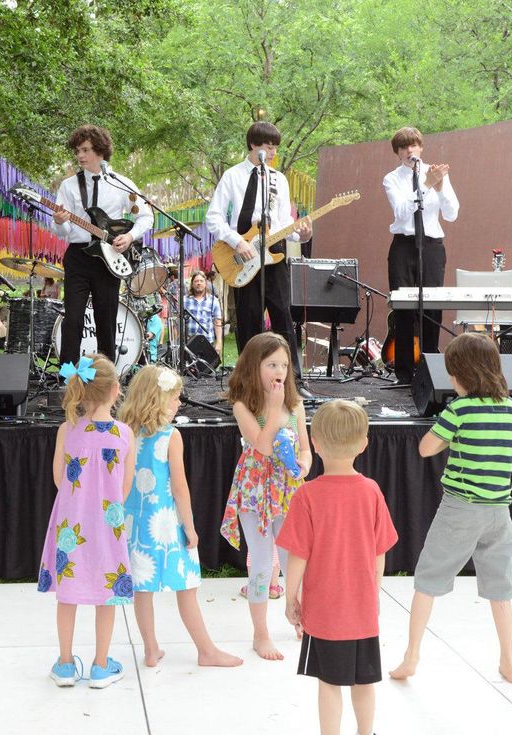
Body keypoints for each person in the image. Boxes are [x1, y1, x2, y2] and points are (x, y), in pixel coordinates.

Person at [389, 333, 512, 684]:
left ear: (462, 374)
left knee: (428, 579)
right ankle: (510, 659)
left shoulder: (460, 410)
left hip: (460, 509)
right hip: (499, 511)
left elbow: (426, 448)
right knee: (500, 588)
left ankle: (411, 655)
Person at [277, 400, 398, 735]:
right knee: (364, 679)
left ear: (314, 444)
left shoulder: (307, 496)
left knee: (329, 682)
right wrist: (373, 592)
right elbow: (379, 552)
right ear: (363, 444)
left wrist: (290, 599)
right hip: (361, 610)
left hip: (325, 611)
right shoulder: (371, 491)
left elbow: (297, 555)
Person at [118, 366, 243, 668]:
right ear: (156, 400)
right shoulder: (170, 436)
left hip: (135, 524)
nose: (178, 404)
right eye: (174, 399)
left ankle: (150, 649)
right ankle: (206, 650)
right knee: (187, 585)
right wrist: (190, 527)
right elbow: (179, 488)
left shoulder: (125, 433)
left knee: (142, 588)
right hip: (165, 523)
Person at [36, 354, 137, 689]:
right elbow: (124, 489)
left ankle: (65, 664)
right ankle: (101, 664)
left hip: (70, 525)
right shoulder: (124, 434)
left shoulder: (67, 429)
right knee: (106, 592)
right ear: (115, 391)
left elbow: (57, 478)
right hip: (107, 525)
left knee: (67, 593)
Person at [220, 332, 311, 660]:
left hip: (287, 489)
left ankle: (299, 615)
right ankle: (261, 634)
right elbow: (260, 443)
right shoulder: (244, 405)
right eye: (272, 363)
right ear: (253, 366)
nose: (280, 371)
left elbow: (305, 446)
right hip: (255, 490)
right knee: (260, 563)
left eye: (284, 364)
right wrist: (273, 410)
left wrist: (303, 463)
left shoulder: (295, 403)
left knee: (293, 560)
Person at [205, 122, 312, 397]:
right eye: (268, 146)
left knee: (283, 318)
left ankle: (292, 384)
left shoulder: (279, 178)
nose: (273, 151)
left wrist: (300, 234)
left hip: (274, 252)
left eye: (276, 146)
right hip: (242, 251)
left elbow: (284, 221)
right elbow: (214, 217)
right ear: (253, 145)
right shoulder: (232, 176)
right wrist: (236, 241)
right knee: (249, 319)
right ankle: (249, 386)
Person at [51, 125, 153, 366]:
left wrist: (129, 237)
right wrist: (58, 221)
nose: (80, 156)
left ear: (100, 151)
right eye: (78, 151)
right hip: (78, 256)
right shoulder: (68, 186)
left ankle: (106, 379)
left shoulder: (121, 184)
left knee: (105, 320)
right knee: (72, 319)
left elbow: (146, 216)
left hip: (110, 258)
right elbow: (63, 232)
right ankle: (67, 377)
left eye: (85, 150)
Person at [382, 126, 459, 385]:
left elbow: (451, 213)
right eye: (403, 147)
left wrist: (438, 186)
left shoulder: (435, 173)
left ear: (421, 147)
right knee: (404, 308)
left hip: (432, 245)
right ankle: (404, 372)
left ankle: (429, 370)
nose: (409, 151)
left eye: (413, 145)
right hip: (404, 245)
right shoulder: (392, 179)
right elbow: (402, 212)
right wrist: (426, 184)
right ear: (397, 153)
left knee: (432, 308)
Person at [182, 270, 223, 356]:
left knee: (207, 368)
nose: (199, 283)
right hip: (189, 342)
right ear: (192, 284)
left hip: (208, 342)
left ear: (205, 283)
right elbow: (178, 322)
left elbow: (217, 322)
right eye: (196, 281)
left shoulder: (213, 301)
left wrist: (219, 342)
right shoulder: (185, 300)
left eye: (201, 281)